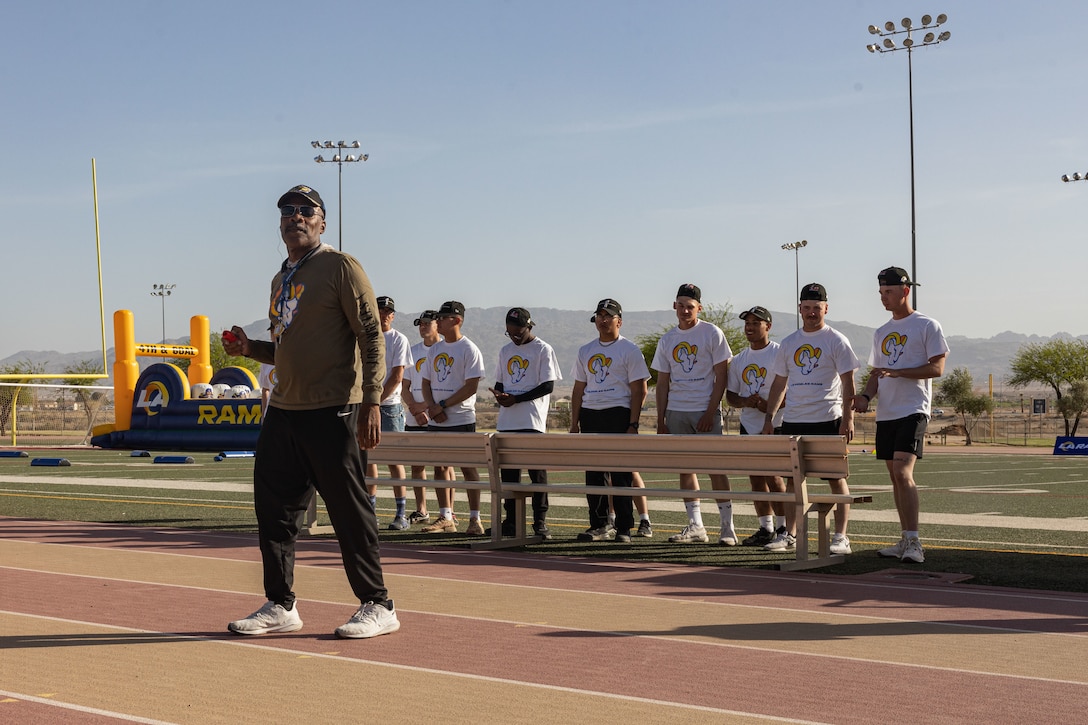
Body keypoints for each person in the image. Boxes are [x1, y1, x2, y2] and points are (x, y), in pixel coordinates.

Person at [223, 184, 399, 639]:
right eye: (286, 211)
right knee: (274, 511)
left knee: (348, 511)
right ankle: (281, 604)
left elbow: (370, 336)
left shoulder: (341, 266)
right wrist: (251, 348)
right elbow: (286, 348)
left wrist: (372, 400)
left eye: (305, 210)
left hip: (335, 407)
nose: (294, 217)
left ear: (322, 221)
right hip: (284, 410)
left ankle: (378, 604)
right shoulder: (281, 278)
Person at [852, 266, 949, 564]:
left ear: (905, 291)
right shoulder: (881, 332)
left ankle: (916, 541)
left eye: (889, 292)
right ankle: (905, 537)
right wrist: (866, 395)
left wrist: (899, 372)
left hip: (913, 409)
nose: (884, 298)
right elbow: (876, 373)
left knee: (904, 473)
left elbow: (937, 369)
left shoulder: (927, 325)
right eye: (881, 292)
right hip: (887, 414)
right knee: (895, 476)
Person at [761, 283, 859, 555]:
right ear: (800, 309)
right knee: (794, 480)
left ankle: (841, 537)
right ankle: (789, 534)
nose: (812, 313)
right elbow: (779, 383)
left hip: (828, 419)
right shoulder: (790, 342)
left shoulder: (836, 340)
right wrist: (770, 418)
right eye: (807, 308)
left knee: (836, 477)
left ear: (826, 308)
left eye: (817, 308)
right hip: (793, 421)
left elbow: (848, 382)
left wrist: (847, 418)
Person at [651, 283, 735, 545]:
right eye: (681, 305)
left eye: (690, 306)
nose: (685, 310)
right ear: (674, 306)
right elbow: (662, 382)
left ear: (699, 307)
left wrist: (711, 411)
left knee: (715, 469)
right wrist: (661, 419)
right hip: (677, 410)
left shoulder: (712, 333)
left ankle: (727, 527)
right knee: (685, 469)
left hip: (703, 410)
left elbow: (722, 375)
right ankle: (696, 526)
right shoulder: (668, 339)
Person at [569, 298, 649, 543]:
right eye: (599, 316)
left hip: (618, 413)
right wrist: (574, 423)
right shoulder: (585, 350)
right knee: (594, 474)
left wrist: (633, 424)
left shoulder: (629, 350)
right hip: (591, 414)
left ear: (619, 321)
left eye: (608, 316)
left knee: (621, 473)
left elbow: (640, 390)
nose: (603, 320)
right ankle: (600, 524)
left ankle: (624, 526)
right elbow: (578, 389)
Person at [489, 307, 562, 539]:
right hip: (507, 422)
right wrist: (499, 395)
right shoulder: (505, 351)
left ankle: (540, 522)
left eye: (518, 333)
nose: (514, 337)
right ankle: (511, 521)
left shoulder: (543, 349)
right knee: (509, 478)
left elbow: (547, 386)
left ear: (529, 327)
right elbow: (500, 382)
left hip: (532, 422)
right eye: (509, 333)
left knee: (537, 475)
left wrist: (517, 398)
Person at [419, 301, 487, 535]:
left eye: (443, 317)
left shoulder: (469, 349)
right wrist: (432, 407)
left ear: (457, 320)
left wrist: (443, 405)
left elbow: (471, 386)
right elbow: (425, 382)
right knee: (440, 466)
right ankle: (445, 516)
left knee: (468, 468)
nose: (437, 321)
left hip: (461, 418)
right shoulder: (436, 349)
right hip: (437, 419)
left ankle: (475, 519)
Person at [725, 305, 787, 547]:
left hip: (776, 424)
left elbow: (788, 391)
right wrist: (745, 401)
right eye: (747, 323)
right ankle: (765, 527)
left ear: (768, 327)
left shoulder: (780, 353)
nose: (749, 328)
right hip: (749, 425)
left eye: (755, 323)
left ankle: (784, 527)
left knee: (774, 477)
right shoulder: (739, 359)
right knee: (756, 479)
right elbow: (731, 395)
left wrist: (769, 407)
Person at [365, 296, 413, 530]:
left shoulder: (398, 339)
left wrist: (375, 401)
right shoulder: (364, 337)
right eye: (380, 310)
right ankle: (370, 511)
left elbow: (397, 377)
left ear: (393, 315)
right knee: (369, 459)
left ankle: (401, 513)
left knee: (395, 461)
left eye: (388, 311)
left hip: (390, 407)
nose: (384, 314)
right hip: (368, 404)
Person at [401, 310, 440, 524]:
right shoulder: (413, 351)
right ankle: (422, 510)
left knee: (443, 466)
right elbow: (404, 385)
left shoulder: (443, 350)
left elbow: (446, 387)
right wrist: (414, 409)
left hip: (437, 415)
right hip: (413, 417)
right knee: (417, 465)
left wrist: (425, 408)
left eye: (427, 323)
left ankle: (447, 511)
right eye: (420, 323)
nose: (423, 326)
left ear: (437, 324)